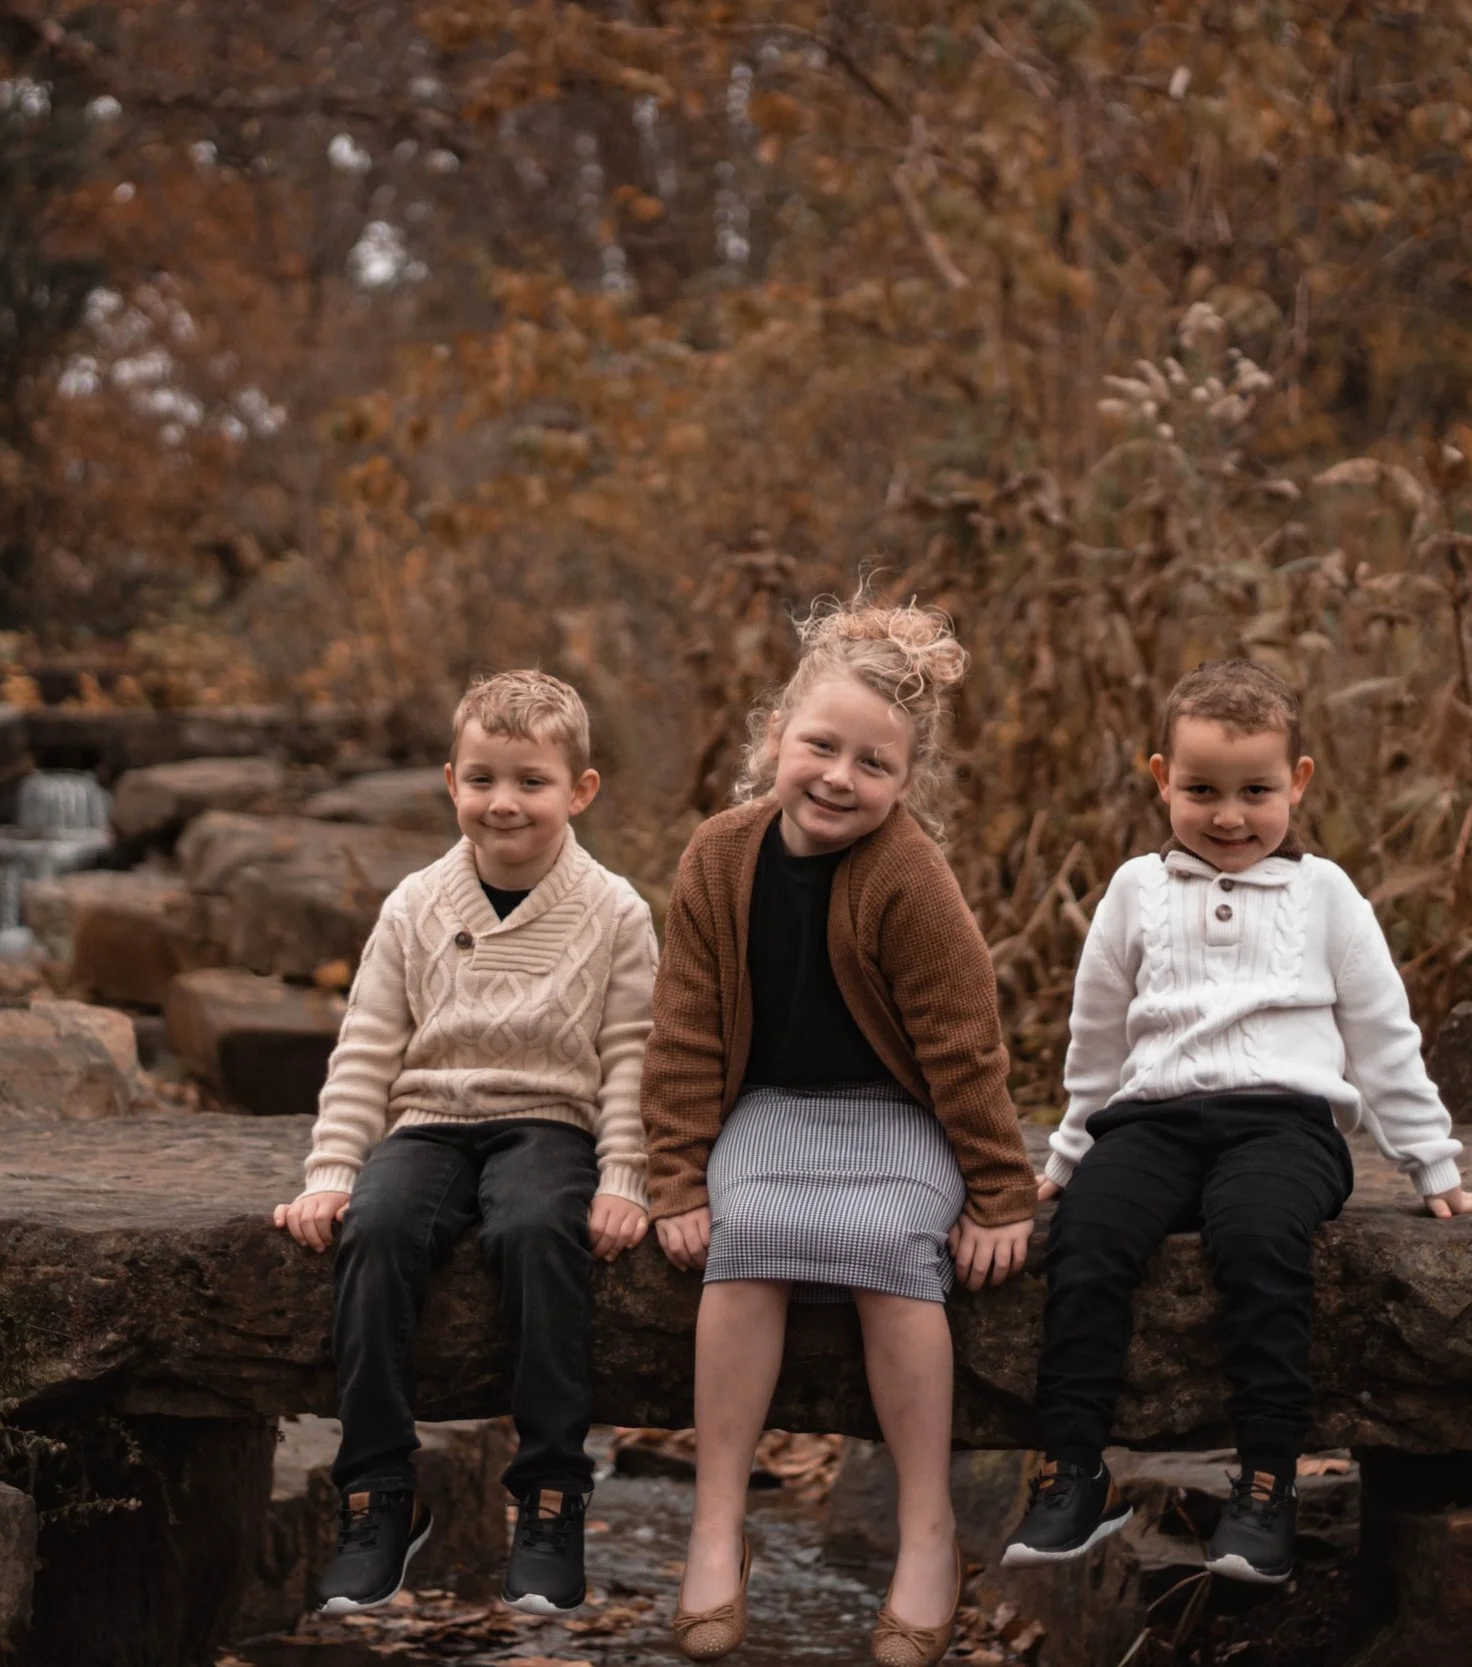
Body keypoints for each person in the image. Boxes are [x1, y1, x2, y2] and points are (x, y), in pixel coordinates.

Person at [1000, 659, 1472, 1586]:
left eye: (1256, 791)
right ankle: (1073, 1467)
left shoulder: (1328, 898)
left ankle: (1266, 1483)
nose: (1229, 816)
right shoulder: (1132, 892)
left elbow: (1383, 1034)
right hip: (1151, 1121)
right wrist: (1069, 1153)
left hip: (1284, 1124)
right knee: (1090, 1239)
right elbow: (1099, 1033)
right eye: (1200, 791)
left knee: (1259, 1238)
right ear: (1161, 778)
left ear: (1298, 781)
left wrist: (1435, 1168)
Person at [646, 600, 1040, 1667]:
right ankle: (717, 1522)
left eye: (872, 763)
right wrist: (676, 1179)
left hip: (893, 1113)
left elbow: (965, 1048)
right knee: (749, 1233)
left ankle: (926, 1529)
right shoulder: (717, 857)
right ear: (776, 735)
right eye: (820, 745)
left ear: (906, 781)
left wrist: (1000, 1193)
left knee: (893, 1248)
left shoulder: (910, 878)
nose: (836, 776)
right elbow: (681, 1030)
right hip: (768, 1109)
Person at [273, 669, 658, 1617]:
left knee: (536, 1231)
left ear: (581, 790)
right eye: (482, 778)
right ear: (452, 782)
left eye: (531, 780)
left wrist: (626, 1179)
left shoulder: (615, 911)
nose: (504, 801)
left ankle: (549, 1499)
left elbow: (631, 1060)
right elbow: (366, 1047)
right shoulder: (414, 903)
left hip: (549, 1120)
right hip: (431, 1119)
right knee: (379, 1226)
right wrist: (330, 1172)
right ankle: (378, 1497)